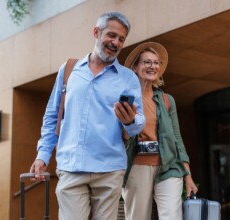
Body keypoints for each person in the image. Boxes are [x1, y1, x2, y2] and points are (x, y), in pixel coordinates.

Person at [29, 12, 145, 220]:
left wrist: (130, 121)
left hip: (109, 169)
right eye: (111, 35)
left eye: (121, 39)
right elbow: (52, 115)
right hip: (72, 166)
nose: (116, 42)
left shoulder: (128, 78)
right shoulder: (69, 70)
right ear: (96, 32)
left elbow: (138, 124)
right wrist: (42, 155)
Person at [122, 42, 198, 220]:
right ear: (135, 67)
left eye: (156, 63)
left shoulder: (166, 100)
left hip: (168, 167)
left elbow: (177, 139)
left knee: (172, 216)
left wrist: (188, 175)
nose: (152, 66)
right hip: (137, 165)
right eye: (146, 62)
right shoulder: (125, 98)